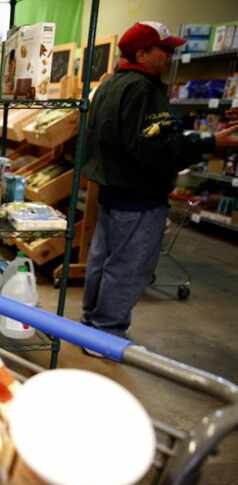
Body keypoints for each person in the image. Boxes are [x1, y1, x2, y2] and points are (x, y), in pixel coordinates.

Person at [81, 21, 238, 354]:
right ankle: (106, 336)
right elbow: (153, 147)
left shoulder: (111, 84)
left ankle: (91, 326)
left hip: (113, 190)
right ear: (142, 53)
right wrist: (209, 142)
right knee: (127, 267)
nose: (170, 56)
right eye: (163, 50)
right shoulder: (143, 90)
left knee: (104, 260)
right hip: (139, 195)